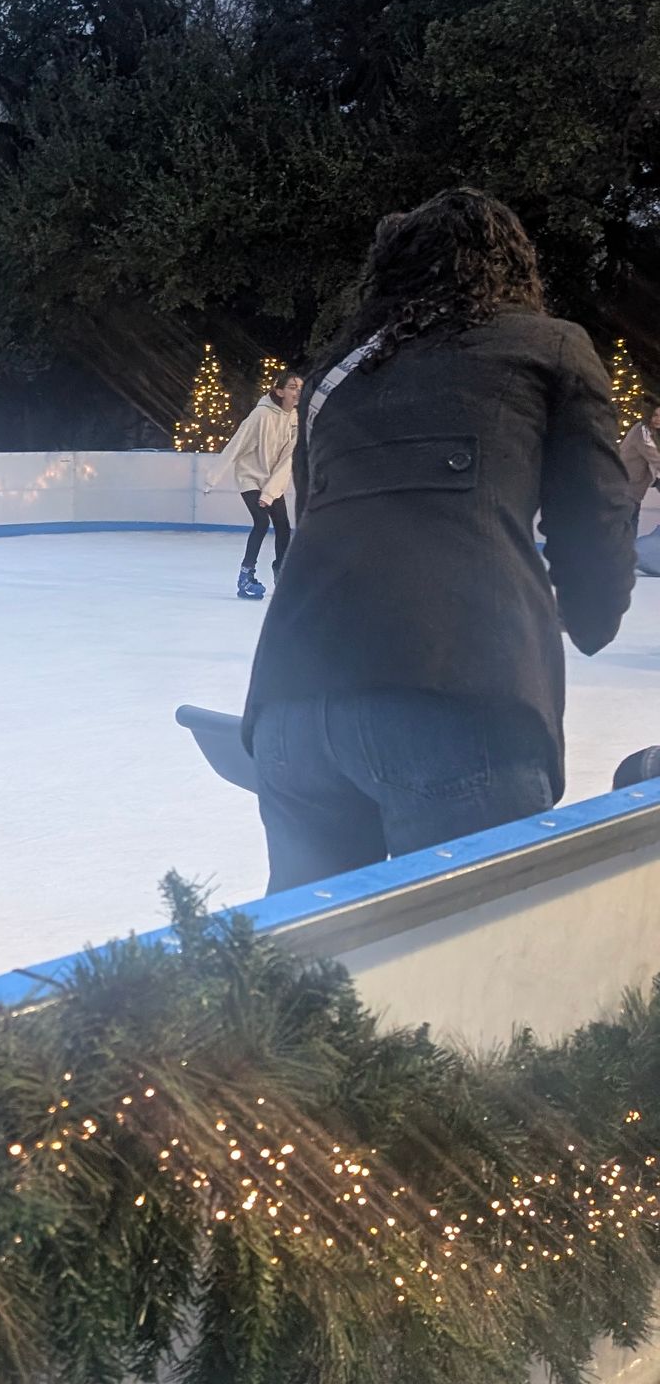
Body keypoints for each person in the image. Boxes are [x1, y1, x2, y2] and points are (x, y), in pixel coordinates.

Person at [243, 188, 636, 891]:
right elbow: (599, 512)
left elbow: (315, 510)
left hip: (292, 701)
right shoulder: (549, 346)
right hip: (459, 695)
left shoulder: (337, 372)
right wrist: (594, 616)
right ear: (513, 267)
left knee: (314, 973)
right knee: (482, 963)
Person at [216, 370, 303, 600]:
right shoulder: (261, 414)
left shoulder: (295, 419)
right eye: (293, 387)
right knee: (262, 521)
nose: (298, 392)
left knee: (283, 527)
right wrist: (212, 477)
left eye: (300, 387)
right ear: (279, 391)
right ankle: (246, 576)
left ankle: (280, 571)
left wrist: (271, 491)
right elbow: (237, 443)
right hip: (250, 476)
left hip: (272, 479)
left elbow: (287, 460)